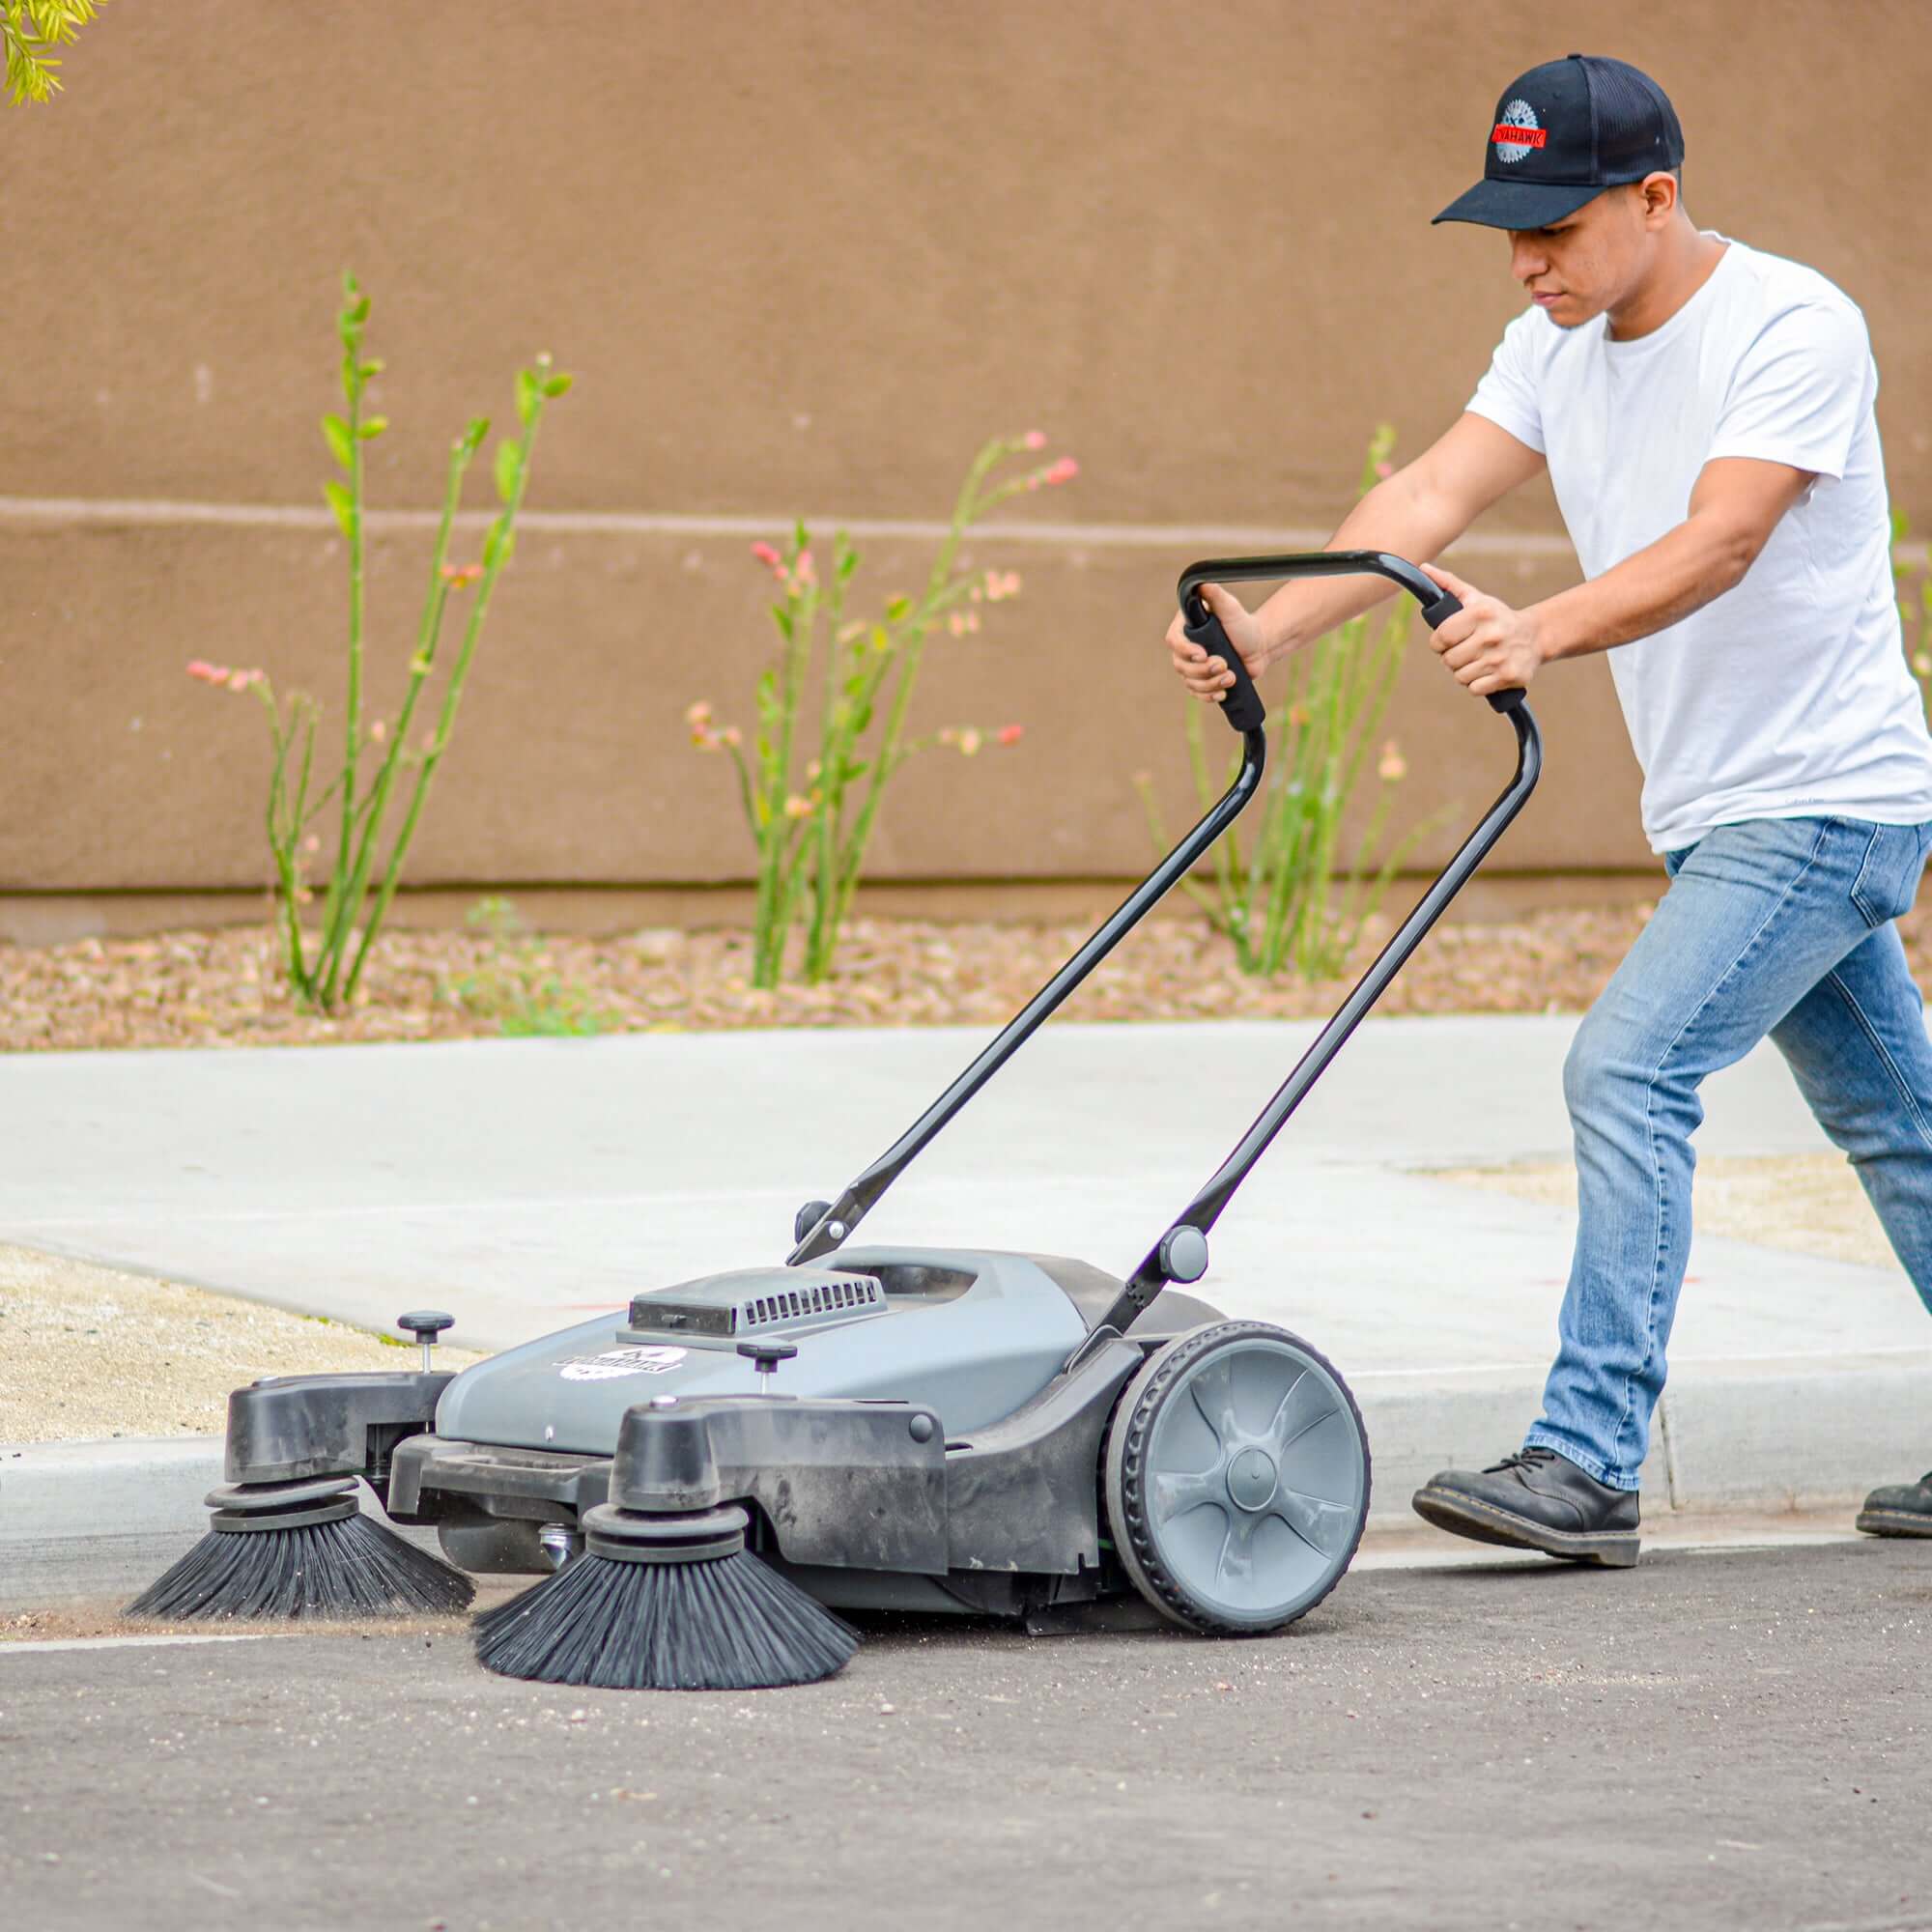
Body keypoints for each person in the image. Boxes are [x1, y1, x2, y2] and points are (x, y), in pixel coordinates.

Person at [1165, 52, 1932, 1566]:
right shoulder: (1550, 346)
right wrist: (1274, 627)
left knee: (1628, 1071)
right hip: (1723, 806)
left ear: (1655, 198)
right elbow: (1425, 498)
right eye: (1510, 229)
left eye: (1558, 228)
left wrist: (1544, 631)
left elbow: (1722, 539)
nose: (1530, 261)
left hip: (1828, 797)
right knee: (1897, 1124)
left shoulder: (1793, 322)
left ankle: (1586, 1458)